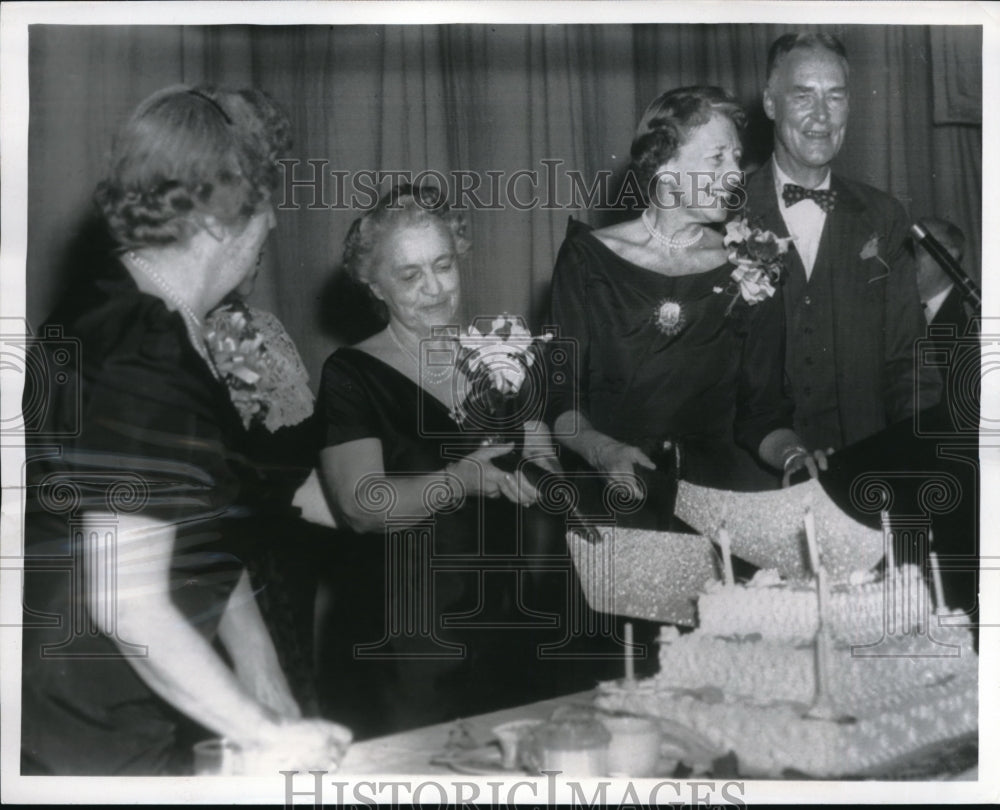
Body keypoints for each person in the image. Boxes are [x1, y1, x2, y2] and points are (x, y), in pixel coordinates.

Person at [20, 85, 351, 775]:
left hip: (109, 702)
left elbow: (195, 525)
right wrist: (265, 735)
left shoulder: (140, 315)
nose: (274, 226)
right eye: (265, 205)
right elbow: (128, 603)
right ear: (219, 221)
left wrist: (267, 684)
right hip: (88, 728)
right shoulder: (141, 350)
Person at [316, 185, 581, 739]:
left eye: (443, 265)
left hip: (506, 629)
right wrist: (461, 481)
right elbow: (362, 506)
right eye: (410, 276)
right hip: (404, 646)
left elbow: (543, 465)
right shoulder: (351, 373)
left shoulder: (500, 352)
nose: (435, 288)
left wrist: (543, 484)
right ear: (374, 284)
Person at [546, 86, 826, 530]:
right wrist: (603, 450)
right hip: (614, 500)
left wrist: (793, 454)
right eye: (717, 158)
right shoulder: (587, 260)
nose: (736, 173)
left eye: (737, 158)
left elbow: (764, 414)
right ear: (664, 167)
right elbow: (561, 399)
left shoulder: (755, 264)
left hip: (723, 509)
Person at [745, 33, 941, 452]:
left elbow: (909, 365)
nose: (822, 116)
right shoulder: (727, 213)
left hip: (863, 474)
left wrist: (918, 460)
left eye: (835, 97)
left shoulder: (884, 217)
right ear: (769, 102)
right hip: (752, 482)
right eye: (803, 95)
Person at [914, 217, 972, 333]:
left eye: (919, 247)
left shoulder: (972, 316)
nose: (909, 256)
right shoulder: (894, 312)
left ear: (950, 256)